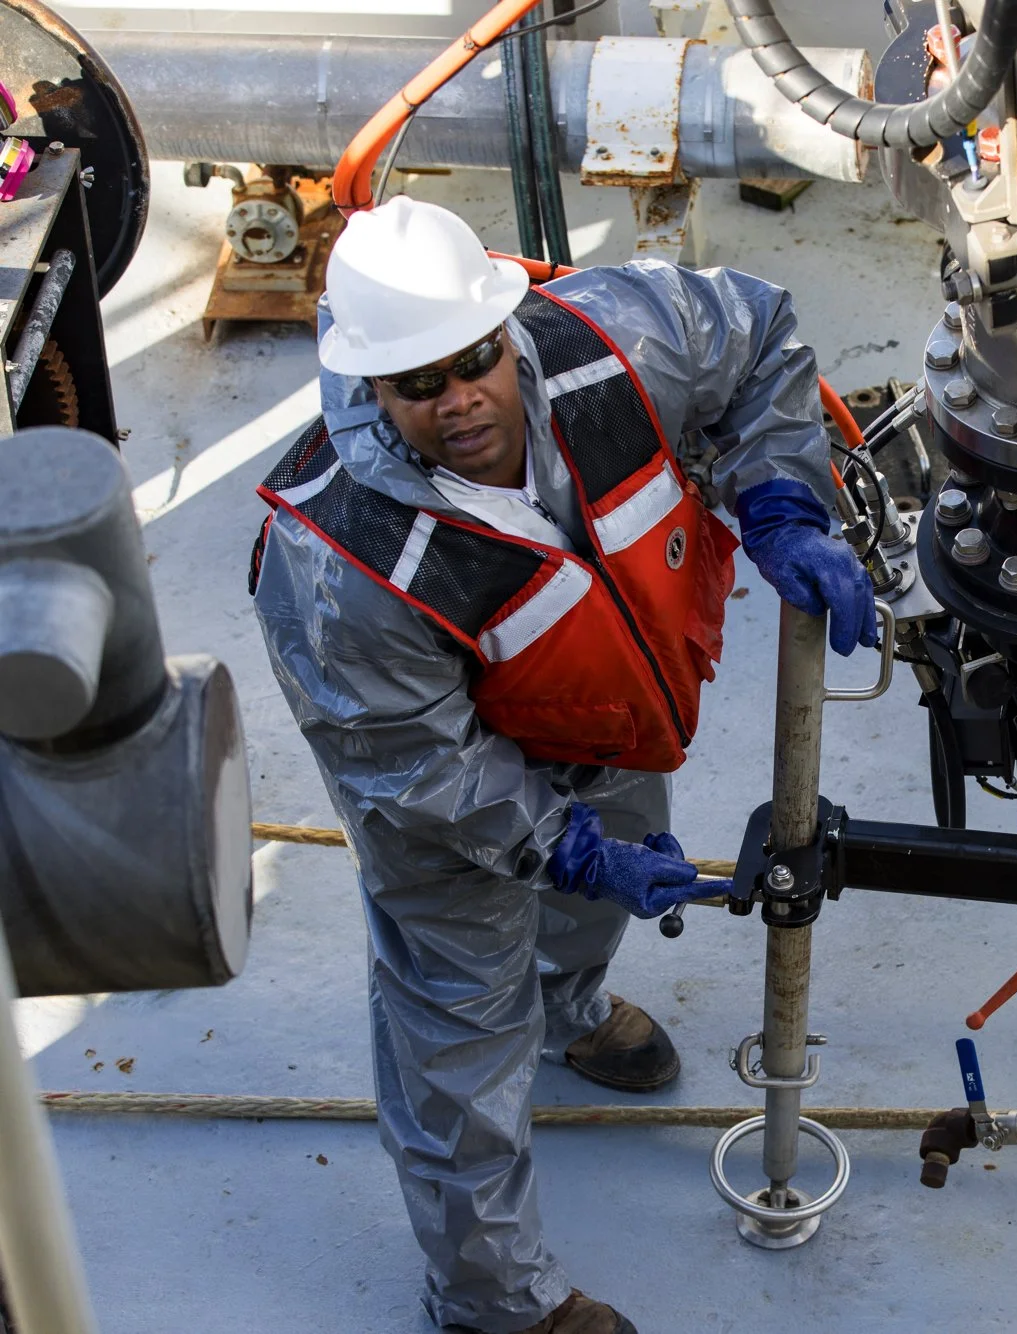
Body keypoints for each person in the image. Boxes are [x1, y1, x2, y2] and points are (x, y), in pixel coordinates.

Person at [249, 197, 875, 1334]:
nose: (459, 398)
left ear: (505, 328)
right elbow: (420, 772)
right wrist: (562, 844)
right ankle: (499, 1304)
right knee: (459, 1046)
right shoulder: (337, 559)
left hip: (606, 717)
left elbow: (758, 332)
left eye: (474, 360)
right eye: (417, 384)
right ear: (371, 389)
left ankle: (569, 1004)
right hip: (449, 804)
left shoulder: (614, 340)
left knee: (598, 896)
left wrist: (783, 497)